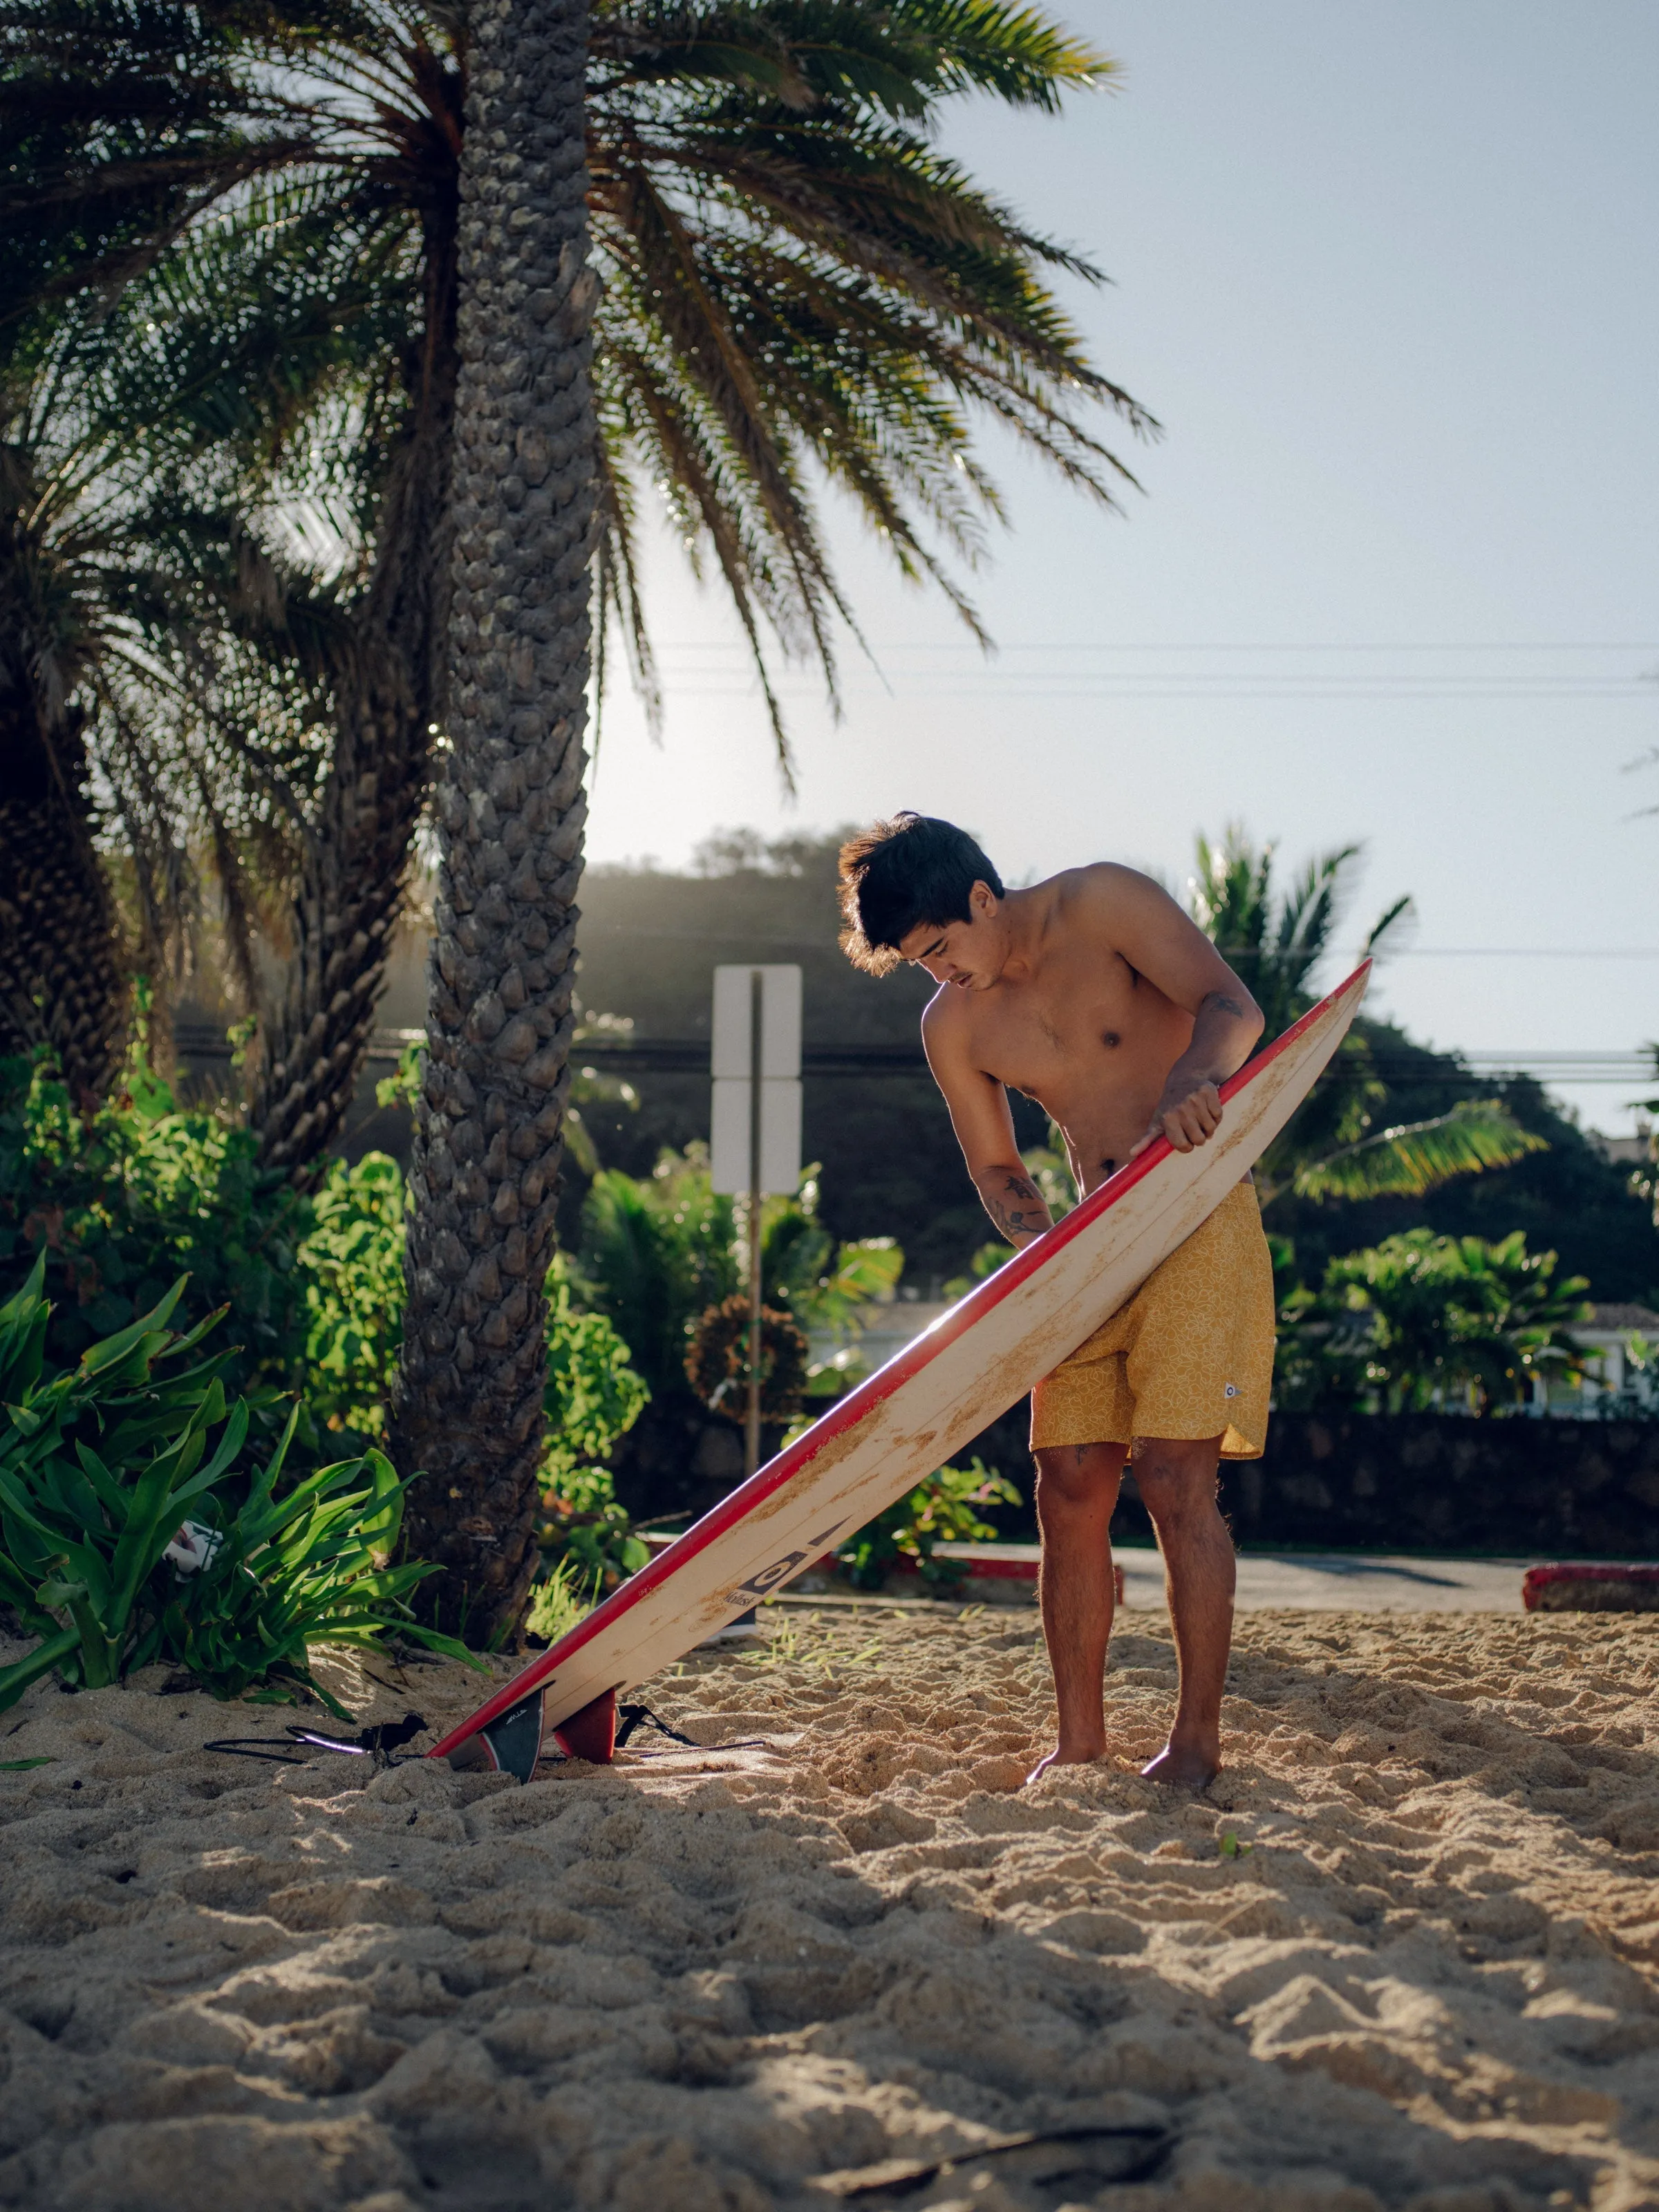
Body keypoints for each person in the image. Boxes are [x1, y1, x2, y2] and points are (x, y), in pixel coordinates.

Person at [838, 813, 1273, 1788]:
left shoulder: (1103, 901)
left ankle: (1196, 1746)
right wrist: (1027, 1226)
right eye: (920, 962)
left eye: (944, 947)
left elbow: (1231, 1006)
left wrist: (1199, 1078)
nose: (940, 973)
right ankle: (1080, 1745)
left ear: (984, 898)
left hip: (1198, 1201)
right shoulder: (952, 1024)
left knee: (1173, 1481)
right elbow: (994, 1168)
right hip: (1091, 1245)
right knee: (1068, 1484)